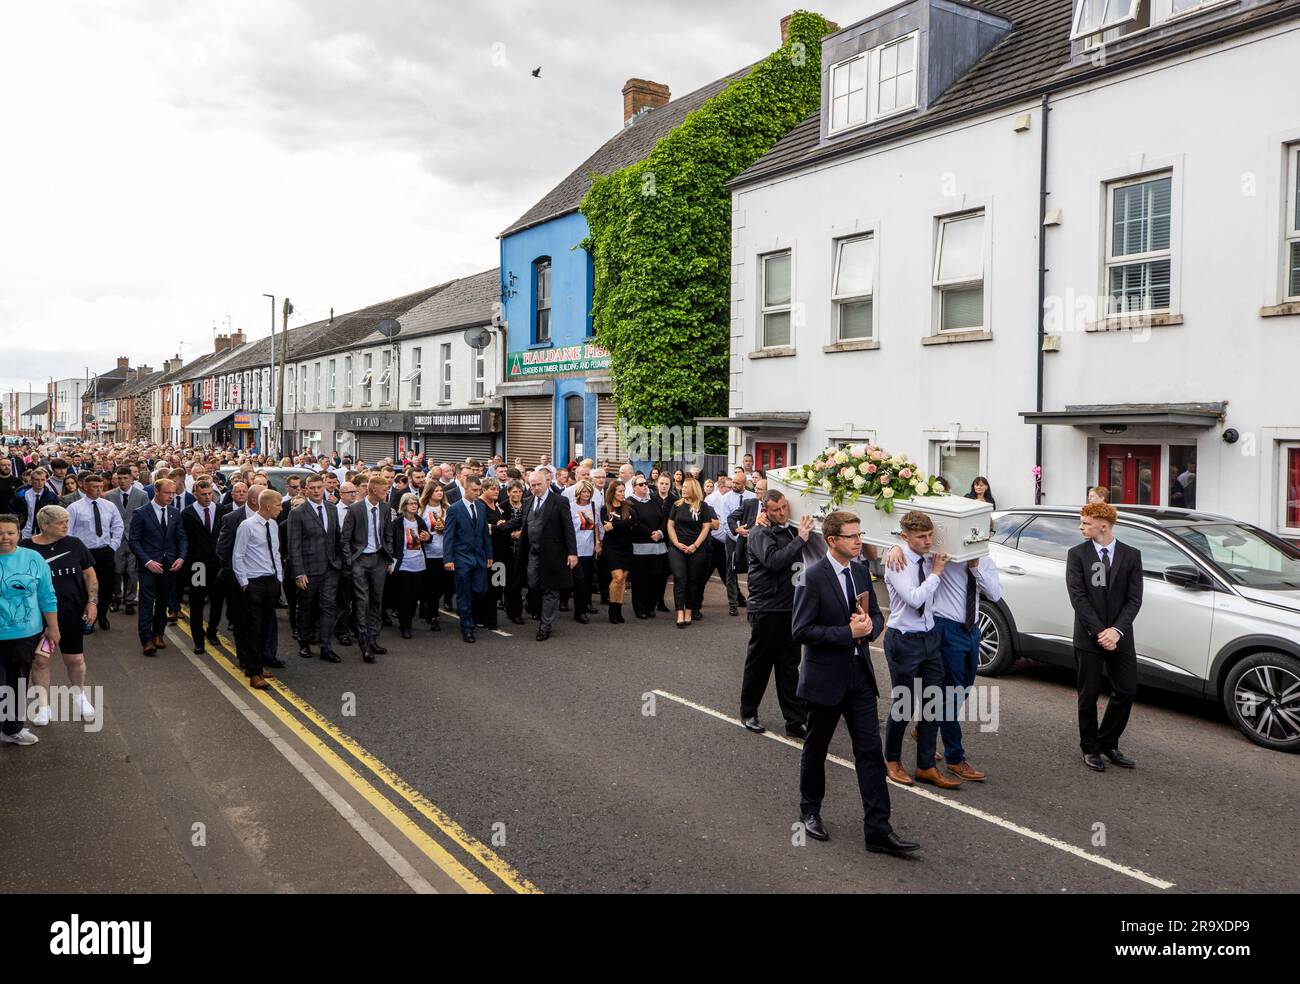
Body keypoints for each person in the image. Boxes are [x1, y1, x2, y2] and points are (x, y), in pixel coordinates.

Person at [792, 510, 915, 855]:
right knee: (816, 749)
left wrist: (868, 627)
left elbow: (876, 617)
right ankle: (810, 811)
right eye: (852, 536)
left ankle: (878, 828)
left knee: (870, 753)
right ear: (832, 541)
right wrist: (847, 632)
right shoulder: (812, 577)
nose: (860, 540)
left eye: (860, 534)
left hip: (860, 676)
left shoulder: (861, 571)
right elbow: (801, 630)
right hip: (825, 679)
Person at [885, 535, 1003, 782]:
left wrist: (975, 566)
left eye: (983, 537)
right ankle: (955, 758)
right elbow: (911, 542)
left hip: (972, 630)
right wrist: (893, 545)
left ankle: (925, 729)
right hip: (945, 629)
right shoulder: (942, 556)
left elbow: (994, 593)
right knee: (948, 695)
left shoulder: (985, 561)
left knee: (963, 690)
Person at [881, 511, 961, 789]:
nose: (928, 542)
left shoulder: (929, 555)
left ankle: (926, 765)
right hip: (903, 639)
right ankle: (891, 760)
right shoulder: (897, 560)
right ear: (905, 537)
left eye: (929, 536)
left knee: (933, 703)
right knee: (903, 704)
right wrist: (936, 574)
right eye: (921, 537)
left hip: (930, 637)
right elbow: (914, 597)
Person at [1066, 502, 1143, 772]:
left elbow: (1134, 599)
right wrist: (1101, 631)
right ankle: (1089, 748)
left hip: (1120, 635)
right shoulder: (1077, 555)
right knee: (1088, 695)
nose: (1081, 527)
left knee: (1126, 689)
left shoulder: (1131, 555)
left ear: (1103, 525)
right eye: (1082, 522)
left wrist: (1116, 631)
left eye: (1086, 523)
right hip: (1089, 636)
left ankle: (1108, 742)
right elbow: (1079, 597)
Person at [741, 490, 813, 738]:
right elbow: (774, 560)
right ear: (766, 512)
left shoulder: (791, 529)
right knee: (759, 664)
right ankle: (749, 712)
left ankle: (795, 720)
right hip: (766, 608)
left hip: (790, 607)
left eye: (784, 507)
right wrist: (801, 539)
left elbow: (799, 566)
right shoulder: (760, 532)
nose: (782, 513)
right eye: (776, 510)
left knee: (789, 666)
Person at [21, 505, 98, 726]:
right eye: (61, 522)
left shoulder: (75, 544)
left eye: (67, 521)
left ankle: (80, 696)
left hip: (72, 615)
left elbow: (90, 576)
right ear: (45, 525)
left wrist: (92, 602)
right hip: (40, 618)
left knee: (74, 659)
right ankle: (44, 707)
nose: (67, 525)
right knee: (41, 661)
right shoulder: (27, 549)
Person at [0, 513, 59, 746]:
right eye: (0, 533)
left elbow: (47, 595)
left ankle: (12, 729)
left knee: (17, 683)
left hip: (25, 635)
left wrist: (52, 628)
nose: (4, 537)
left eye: (10, 533)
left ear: (19, 534)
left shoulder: (33, 558)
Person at [513, 469, 577, 642]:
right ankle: (534, 606)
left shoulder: (559, 501)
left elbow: (568, 528)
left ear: (547, 482)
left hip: (553, 554)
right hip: (532, 553)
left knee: (551, 589)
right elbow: (521, 524)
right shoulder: (527, 501)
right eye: (532, 485)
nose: (535, 488)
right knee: (533, 584)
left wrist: (572, 553)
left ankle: (545, 625)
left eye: (538, 484)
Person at [231, 487, 284, 689]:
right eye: (278, 505)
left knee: (266, 626)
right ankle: (254, 672)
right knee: (252, 628)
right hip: (253, 582)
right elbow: (238, 555)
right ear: (269, 506)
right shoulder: (247, 526)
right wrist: (244, 583)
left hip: (271, 581)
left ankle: (259, 665)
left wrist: (278, 578)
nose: (280, 508)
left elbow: (276, 553)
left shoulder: (273, 525)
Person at [288, 474, 343, 662]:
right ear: (306, 490)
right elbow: (293, 545)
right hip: (308, 570)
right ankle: (304, 643)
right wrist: (299, 572)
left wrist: (340, 562)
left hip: (330, 568)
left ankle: (326, 648)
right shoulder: (297, 513)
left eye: (319, 487)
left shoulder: (332, 509)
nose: (316, 491)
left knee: (328, 607)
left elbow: (337, 538)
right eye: (312, 488)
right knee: (306, 608)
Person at [129, 478, 186, 657]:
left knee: (163, 601)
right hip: (148, 566)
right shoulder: (141, 513)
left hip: (169, 565)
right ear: (156, 491)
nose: (171, 496)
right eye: (167, 493)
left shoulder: (175, 513)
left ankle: (158, 634)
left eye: (173, 493)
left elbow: (181, 537)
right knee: (146, 602)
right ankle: (146, 639)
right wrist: (147, 561)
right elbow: (134, 541)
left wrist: (181, 557)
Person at [342, 475, 395, 662]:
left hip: (379, 559)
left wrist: (389, 556)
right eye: (384, 489)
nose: (387, 492)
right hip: (360, 560)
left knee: (377, 601)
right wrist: (350, 561)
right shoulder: (355, 509)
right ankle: (364, 643)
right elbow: (345, 539)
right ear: (373, 490)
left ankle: (373, 639)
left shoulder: (386, 508)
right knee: (362, 601)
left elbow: (388, 533)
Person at [66, 473, 123, 632]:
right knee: (86, 587)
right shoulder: (75, 507)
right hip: (84, 552)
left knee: (106, 586)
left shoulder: (109, 506)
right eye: (94, 487)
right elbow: (68, 531)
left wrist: (113, 546)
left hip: (105, 551)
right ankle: (87, 619)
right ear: (84, 487)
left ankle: (102, 615)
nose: (99, 490)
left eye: (100, 487)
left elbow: (118, 526)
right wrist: (75, 552)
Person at [441, 476, 490, 644]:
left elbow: (485, 534)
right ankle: (467, 628)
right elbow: (448, 535)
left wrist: (489, 555)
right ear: (466, 488)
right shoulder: (454, 509)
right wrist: (448, 558)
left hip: (479, 557)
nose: (477, 493)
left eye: (479, 490)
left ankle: (472, 616)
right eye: (474, 490)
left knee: (480, 590)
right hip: (461, 557)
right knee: (464, 594)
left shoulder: (481, 508)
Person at [179, 479, 224, 655]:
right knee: (197, 602)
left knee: (217, 600)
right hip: (197, 565)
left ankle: (212, 631)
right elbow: (184, 539)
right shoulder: (187, 514)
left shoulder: (221, 510)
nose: (207, 497)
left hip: (218, 564)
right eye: (203, 494)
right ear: (195, 494)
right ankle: (198, 640)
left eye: (209, 494)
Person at [666, 478, 715, 627]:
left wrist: (695, 545)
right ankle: (680, 612)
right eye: (683, 487)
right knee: (680, 577)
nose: (683, 489)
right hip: (677, 547)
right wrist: (676, 543)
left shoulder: (703, 506)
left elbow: (706, 527)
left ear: (693, 489)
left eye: (687, 487)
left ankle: (689, 610)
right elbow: (670, 525)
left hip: (697, 548)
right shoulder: (677, 505)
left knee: (694, 580)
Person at [389, 492, 430, 640]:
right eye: (411, 503)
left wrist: (428, 537)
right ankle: (405, 625)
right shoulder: (398, 523)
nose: (414, 506)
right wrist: (391, 562)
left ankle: (407, 619)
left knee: (414, 597)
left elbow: (427, 538)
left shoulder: (420, 522)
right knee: (404, 596)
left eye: (415, 503)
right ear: (404, 506)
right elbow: (392, 543)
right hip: (403, 564)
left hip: (419, 563)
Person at [628, 476, 667, 620]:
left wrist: (661, 532)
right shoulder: (630, 502)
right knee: (640, 579)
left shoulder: (654, 499)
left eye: (646, 484)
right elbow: (635, 521)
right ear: (634, 487)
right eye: (641, 484)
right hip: (640, 547)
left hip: (658, 547)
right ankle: (640, 608)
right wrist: (651, 534)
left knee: (656, 577)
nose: (645, 486)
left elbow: (664, 518)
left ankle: (651, 606)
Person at [600, 481, 635, 625]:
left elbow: (633, 523)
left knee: (623, 579)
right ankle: (612, 609)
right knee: (618, 577)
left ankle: (618, 610)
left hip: (626, 547)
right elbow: (606, 527)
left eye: (623, 491)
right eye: (619, 491)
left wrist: (614, 525)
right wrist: (623, 524)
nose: (622, 494)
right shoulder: (605, 509)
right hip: (611, 548)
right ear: (612, 492)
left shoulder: (629, 508)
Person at [418, 481, 450, 631]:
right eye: (436, 490)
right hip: (428, 553)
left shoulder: (447, 509)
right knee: (431, 585)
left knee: (443, 584)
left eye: (441, 490)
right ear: (429, 492)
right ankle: (433, 615)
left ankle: (428, 606)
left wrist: (445, 529)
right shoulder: (422, 510)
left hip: (444, 551)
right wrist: (426, 536)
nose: (439, 493)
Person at [568, 480, 600, 624]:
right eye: (584, 492)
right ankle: (579, 611)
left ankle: (587, 604)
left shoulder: (593, 507)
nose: (586, 494)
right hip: (575, 549)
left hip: (589, 549)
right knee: (579, 581)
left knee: (587, 580)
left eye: (588, 492)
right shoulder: (571, 507)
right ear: (578, 493)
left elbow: (598, 526)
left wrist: (598, 543)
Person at [476, 478, 506, 631]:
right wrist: (497, 526)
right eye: (492, 489)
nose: (496, 491)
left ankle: (492, 619)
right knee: (484, 587)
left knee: (497, 585)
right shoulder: (479, 505)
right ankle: (480, 617)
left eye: (497, 489)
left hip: (500, 552)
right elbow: (481, 527)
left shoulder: (497, 505)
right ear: (484, 489)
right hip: (485, 553)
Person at [12, 467, 59, 540]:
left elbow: (56, 515)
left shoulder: (52, 497)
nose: (40, 482)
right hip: (25, 532)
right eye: (37, 480)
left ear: (46, 480)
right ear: (31, 480)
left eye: (43, 480)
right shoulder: (21, 496)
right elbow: (13, 513)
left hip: (44, 532)